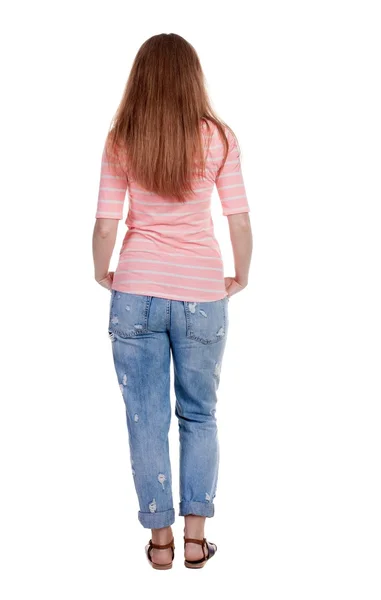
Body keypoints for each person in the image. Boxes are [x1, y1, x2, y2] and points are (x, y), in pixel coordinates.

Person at [92, 33, 252, 570]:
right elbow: (239, 220)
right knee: (200, 414)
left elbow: (105, 224)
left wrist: (101, 270)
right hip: (203, 293)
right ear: (192, 78)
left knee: (144, 418)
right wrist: (241, 273)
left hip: (135, 290)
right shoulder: (219, 139)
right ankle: (194, 539)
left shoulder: (122, 138)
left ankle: (159, 543)